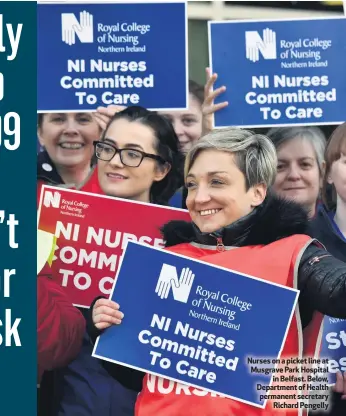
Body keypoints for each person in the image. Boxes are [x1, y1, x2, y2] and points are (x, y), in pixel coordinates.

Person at [89, 128, 346, 416]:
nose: (200, 198)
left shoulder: (295, 254)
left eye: (217, 182)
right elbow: (134, 376)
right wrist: (104, 325)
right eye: (192, 184)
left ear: (257, 192)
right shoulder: (163, 261)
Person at [55, 106, 184, 416]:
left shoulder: (183, 244)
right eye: (108, 148)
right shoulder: (57, 223)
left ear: (161, 169)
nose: (114, 161)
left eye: (132, 154)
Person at [37, 112, 101, 199]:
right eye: (58, 119)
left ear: (101, 132)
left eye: (83, 119)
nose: (71, 130)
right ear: (40, 133)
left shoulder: (121, 187)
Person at [267, 126, 326, 218]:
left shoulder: (339, 228)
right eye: (280, 166)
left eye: (305, 164)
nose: (293, 175)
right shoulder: (246, 230)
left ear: (322, 174)